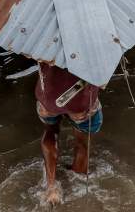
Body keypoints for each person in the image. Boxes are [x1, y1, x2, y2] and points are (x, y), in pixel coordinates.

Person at [35, 62, 103, 206]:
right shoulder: (96, 42)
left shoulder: (45, 40)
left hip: (48, 102)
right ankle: (77, 180)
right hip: (80, 105)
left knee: (50, 131)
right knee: (82, 143)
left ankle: (51, 187)